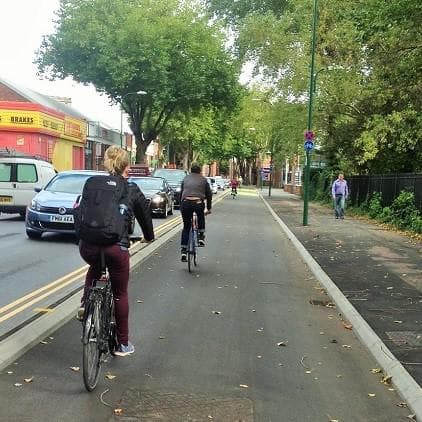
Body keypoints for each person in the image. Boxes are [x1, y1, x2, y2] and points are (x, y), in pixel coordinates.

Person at [78, 146, 154, 356]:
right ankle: (123, 344)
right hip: (116, 248)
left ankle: (86, 305)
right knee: (120, 293)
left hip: (89, 246)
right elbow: (145, 216)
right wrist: (148, 236)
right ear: (126, 167)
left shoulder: (92, 184)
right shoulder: (130, 189)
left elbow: (80, 209)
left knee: (94, 269)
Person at [180, 163, 212, 262]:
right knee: (201, 216)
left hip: (185, 203)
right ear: (200, 171)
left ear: (191, 170)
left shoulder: (185, 179)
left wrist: (181, 205)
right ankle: (201, 237)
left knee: (186, 227)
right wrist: (209, 208)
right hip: (198, 203)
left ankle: (184, 251)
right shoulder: (203, 179)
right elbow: (209, 194)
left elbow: (181, 192)